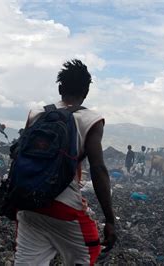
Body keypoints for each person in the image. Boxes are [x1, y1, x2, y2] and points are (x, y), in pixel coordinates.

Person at [14, 59, 116, 265]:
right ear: (86, 92)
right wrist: (110, 220)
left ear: (60, 88)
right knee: (91, 254)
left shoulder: (36, 114)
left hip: (28, 205)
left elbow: (19, 156)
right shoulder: (91, 120)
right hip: (65, 208)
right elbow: (98, 169)